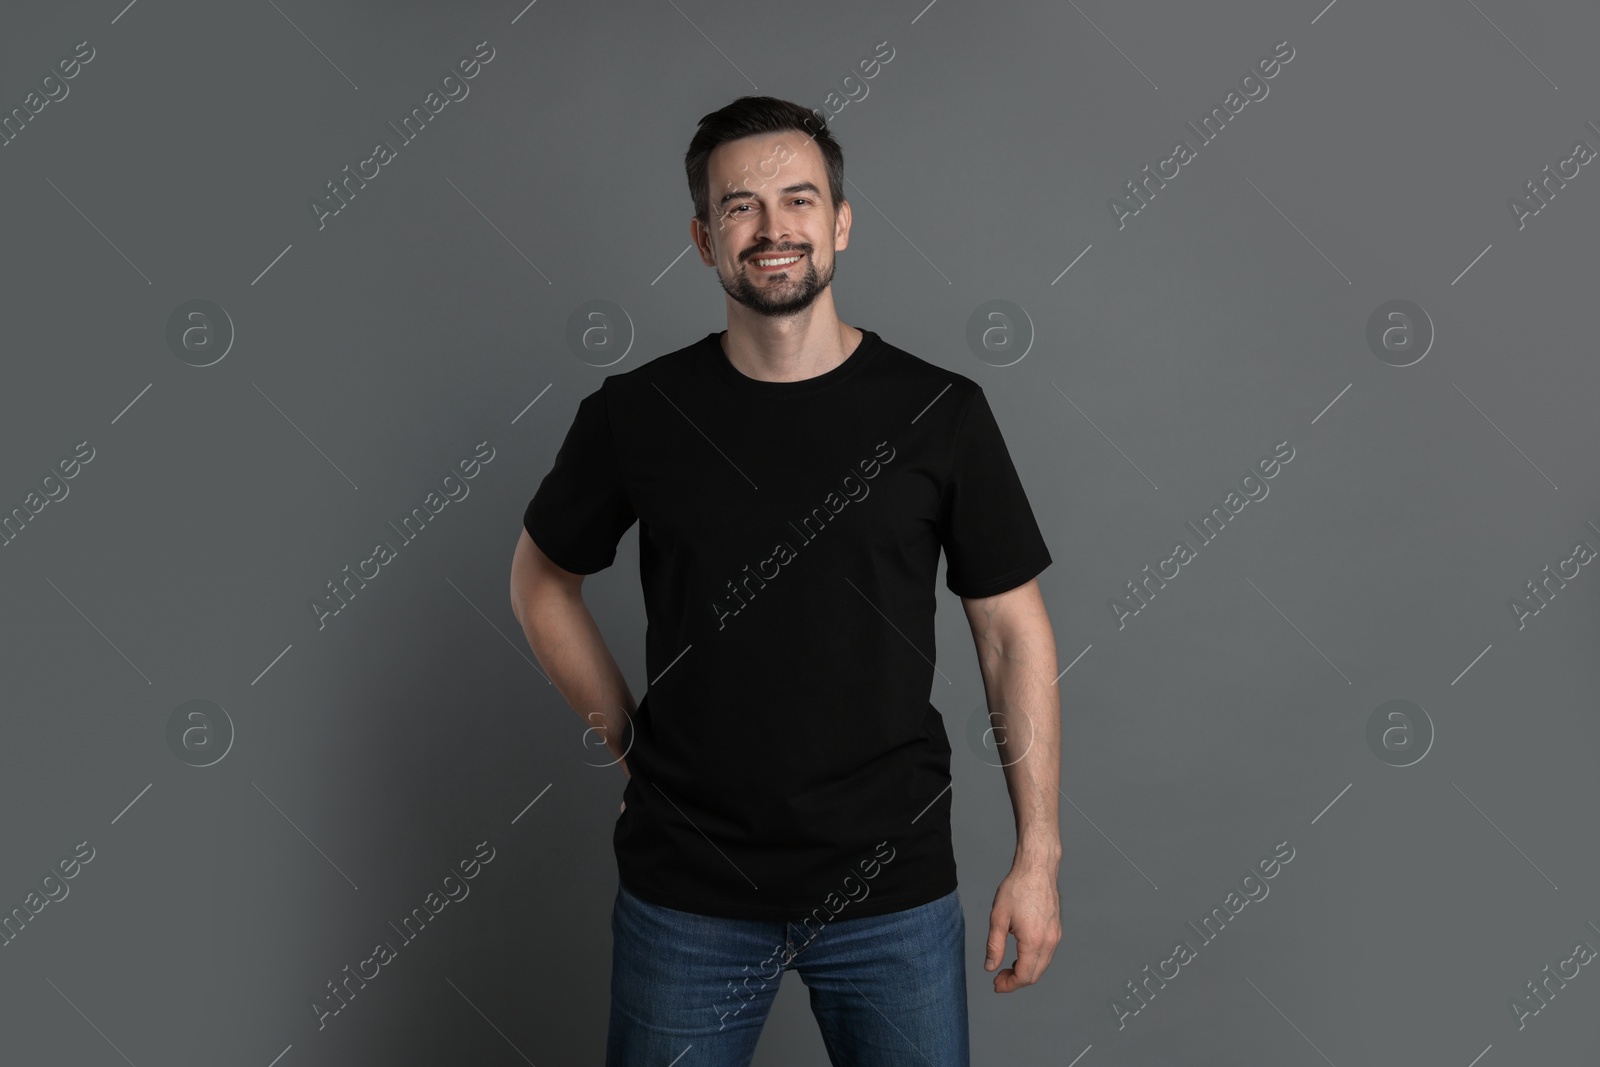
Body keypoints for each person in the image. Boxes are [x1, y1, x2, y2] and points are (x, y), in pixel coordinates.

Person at [509, 95, 1062, 1067]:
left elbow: (1010, 630)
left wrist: (1038, 852)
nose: (773, 229)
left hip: (891, 890)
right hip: (688, 892)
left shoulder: (939, 414)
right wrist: (629, 740)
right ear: (702, 237)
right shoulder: (638, 415)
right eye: (740, 207)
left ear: (839, 223)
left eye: (798, 200)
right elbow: (540, 581)